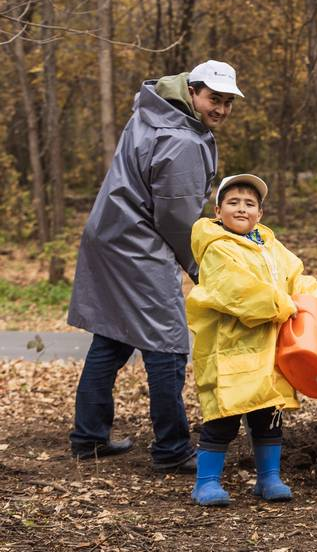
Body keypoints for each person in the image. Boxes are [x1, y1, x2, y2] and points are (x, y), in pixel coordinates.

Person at [67, 60, 244, 472]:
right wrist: (198, 265)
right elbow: (176, 220)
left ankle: (88, 437)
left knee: (112, 337)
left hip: (110, 234)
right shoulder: (181, 139)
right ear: (194, 92)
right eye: (214, 99)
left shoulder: (152, 111)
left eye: (228, 102)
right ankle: (172, 449)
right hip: (137, 243)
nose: (220, 109)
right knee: (167, 344)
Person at [186, 174, 317, 506]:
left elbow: (297, 277)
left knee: (268, 416)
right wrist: (283, 305)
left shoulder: (270, 246)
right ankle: (205, 483)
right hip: (230, 349)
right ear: (218, 211)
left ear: (260, 214)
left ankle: (269, 478)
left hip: (268, 350)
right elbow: (236, 290)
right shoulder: (217, 248)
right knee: (223, 417)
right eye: (233, 202)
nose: (241, 208)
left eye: (250, 204)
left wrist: (311, 301)